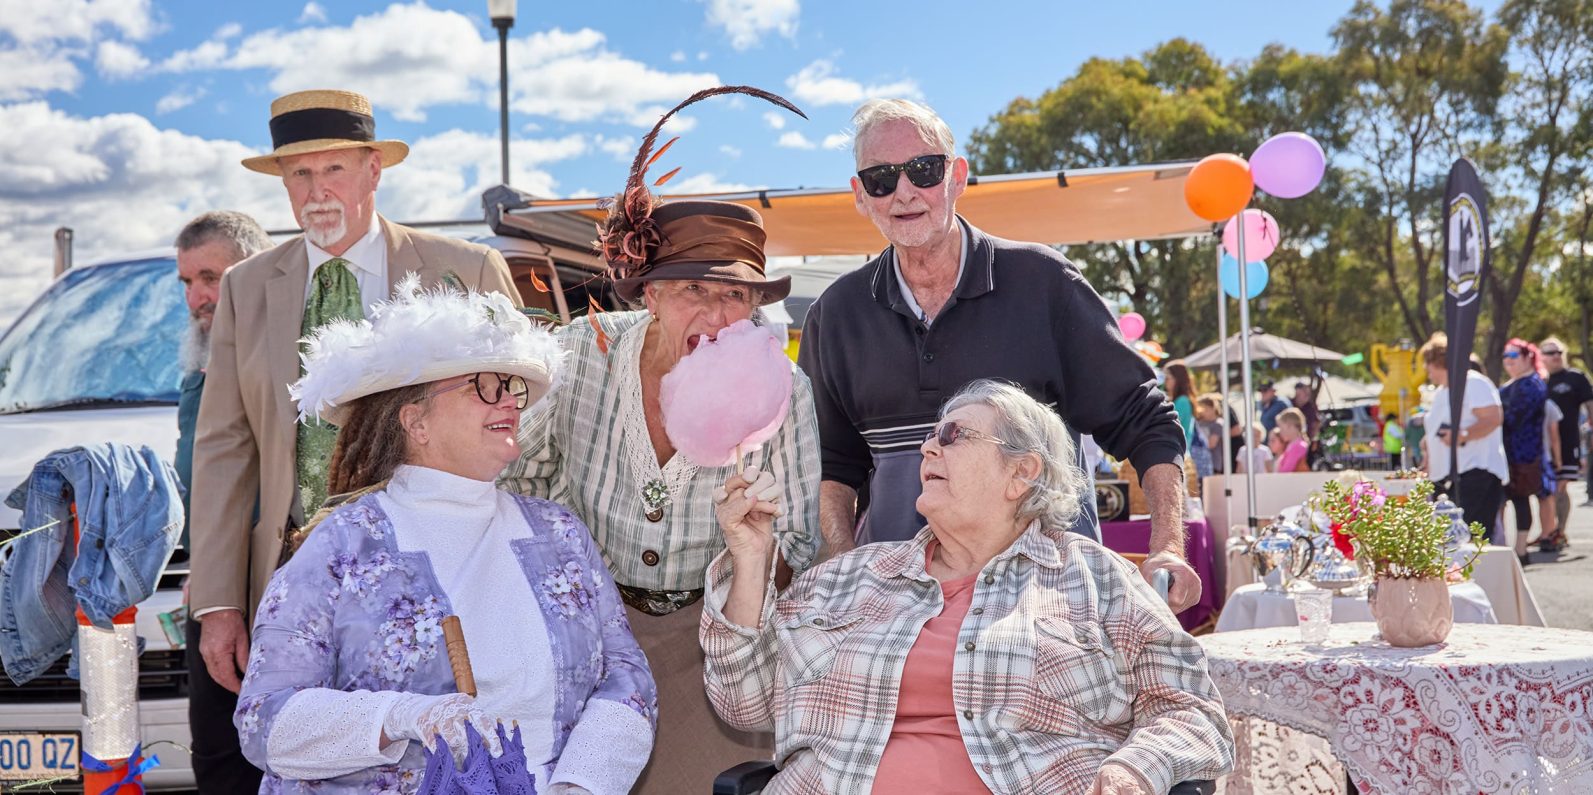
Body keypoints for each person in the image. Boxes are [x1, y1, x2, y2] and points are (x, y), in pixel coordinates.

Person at [501, 86, 820, 793]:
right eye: (692, 291)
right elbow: (510, 478)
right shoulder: (580, 353)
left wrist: (754, 548)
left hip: (712, 646)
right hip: (581, 630)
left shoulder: (783, 390)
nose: (715, 312)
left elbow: (803, 545)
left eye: (734, 295)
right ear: (648, 293)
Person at [700, 379, 1234, 793]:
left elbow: (1191, 709)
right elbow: (743, 703)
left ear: (1022, 472)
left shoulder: (1097, 579)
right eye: (929, 437)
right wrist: (751, 560)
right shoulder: (850, 577)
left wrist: (1136, 770)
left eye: (952, 435)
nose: (928, 449)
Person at [236, 281, 655, 793]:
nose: (508, 402)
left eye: (511, 387)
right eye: (484, 385)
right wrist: (403, 716)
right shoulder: (343, 545)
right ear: (415, 421)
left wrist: (579, 785)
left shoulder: (558, 532)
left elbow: (627, 681)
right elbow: (265, 720)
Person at [798, 98, 1198, 610]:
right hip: (897, 615)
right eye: (880, 178)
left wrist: (1166, 548)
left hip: (1047, 608)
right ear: (860, 195)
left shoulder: (1044, 284)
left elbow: (1146, 421)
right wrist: (843, 563)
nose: (904, 192)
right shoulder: (836, 314)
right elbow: (831, 465)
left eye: (923, 170)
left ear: (957, 176)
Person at [190, 89, 519, 700]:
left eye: (334, 169)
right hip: (293, 577)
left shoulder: (466, 270)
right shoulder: (246, 286)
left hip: (444, 576)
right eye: (300, 173)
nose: (317, 190)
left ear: (373, 170)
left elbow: (520, 430)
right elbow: (224, 449)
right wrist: (217, 602)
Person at [174, 210, 273, 792]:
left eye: (209, 277)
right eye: (187, 282)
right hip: (211, 594)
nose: (197, 298)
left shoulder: (283, 353)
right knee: (216, 760)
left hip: (268, 587)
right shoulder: (201, 362)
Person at [1418, 333, 1507, 541]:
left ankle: (1479, 574)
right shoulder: (1442, 391)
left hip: (1476, 471)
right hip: (1454, 476)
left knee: (1468, 539)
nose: (1426, 371)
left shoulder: (1473, 383)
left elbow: (1493, 418)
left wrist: (1462, 436)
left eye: (1427, 364)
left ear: (1438, 361)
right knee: (1452, 539)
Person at [1499, 338, 1557, 563]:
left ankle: (1521, 550)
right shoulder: (1510, 386)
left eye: (1513, 356)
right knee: (1509, 501)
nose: (1508, 361)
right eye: (1505, 356)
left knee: (1521, 500)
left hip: (1525, 455)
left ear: (1527, 357)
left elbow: (1512, 417)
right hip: (1508, 454)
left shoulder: (1532, 384)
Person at [1541, 336, 1591, 541]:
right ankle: (1548, 529)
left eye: (1559, 352)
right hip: (1543, 444)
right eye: (1550, 353)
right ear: (1541, 357)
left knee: (1561, 485)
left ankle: (1559, 531)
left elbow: (1590, 406)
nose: (1556, 357)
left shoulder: (1575, 377)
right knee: (1547, 489)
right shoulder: (1539, 381)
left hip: (1568, 441)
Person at [1166, 360, 1211, 479]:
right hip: (1181, 454)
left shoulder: (1182, 401)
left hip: (1178, 455)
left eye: (1168, 377)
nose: (1166, 381)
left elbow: (1169, 428)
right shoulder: (1181, 400)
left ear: (1177, 379)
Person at [1274, 408, 1312, 473]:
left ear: (1290, 426)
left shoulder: (1298, 446)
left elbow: (1285, 471)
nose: (1280, 431)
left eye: (1281, 427)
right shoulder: (1293, 445)